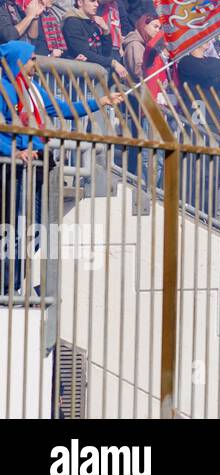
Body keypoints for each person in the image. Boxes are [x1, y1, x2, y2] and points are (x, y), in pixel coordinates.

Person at [0, 40, 126, 291]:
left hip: (37, 165)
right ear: (18, 61)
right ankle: (7, 286)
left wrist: (101, 101)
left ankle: (11, 283)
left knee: (37, 228)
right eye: (31, 58)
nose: (36, 63)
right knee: (12, 229)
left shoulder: (33, 88)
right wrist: (12, 150)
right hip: (12, 169)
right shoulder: (3, 88)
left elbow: (64, 108)